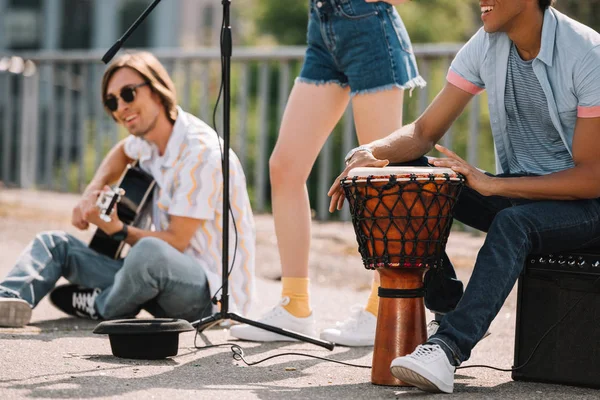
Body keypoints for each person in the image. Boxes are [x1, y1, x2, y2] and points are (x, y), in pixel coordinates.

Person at [329, 0, 600, 393]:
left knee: (513, 222)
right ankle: (450, 305)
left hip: (587, 207)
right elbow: (423, 132)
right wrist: (370, 155)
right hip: (524, 192)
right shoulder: (487, 43)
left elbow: (592, 177)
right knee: (419, 175)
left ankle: (447, 348)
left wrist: (495, 185)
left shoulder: (587, 54)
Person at [0, 51, 256, 327]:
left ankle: (101, 304)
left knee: (148, 252)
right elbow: (122, 150)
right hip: (148, 279)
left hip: (209, 297)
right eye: (112, 101)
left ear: (158, 90)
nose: (121, 106)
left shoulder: (201, 153)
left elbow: (176, 242)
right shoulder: (148, 140)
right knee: (54, 244)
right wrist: (91, 192)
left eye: (128, 93)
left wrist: (118, 230)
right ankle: (9, 299)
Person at [230, 0, 425, 346]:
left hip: (368, 28)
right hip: (321, 27)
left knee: (378, 178)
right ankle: (295, 306)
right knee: (285, 167)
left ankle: (383, 306)